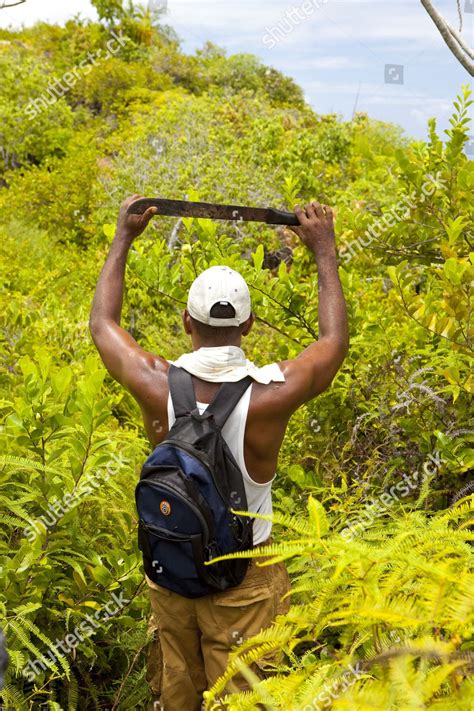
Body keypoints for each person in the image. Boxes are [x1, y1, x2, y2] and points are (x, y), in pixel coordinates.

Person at [89, 195, 349, 710]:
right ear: (248, 327)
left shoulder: (153, 381)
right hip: (246, 579)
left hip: (173, 569)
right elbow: (333, 341)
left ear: (187, 321)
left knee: (179, 695)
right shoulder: (271, 395)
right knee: (243, 701)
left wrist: (123, 237)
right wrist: (324, 251)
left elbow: (102, 324)